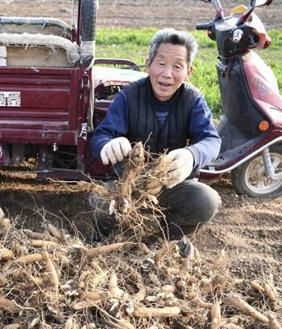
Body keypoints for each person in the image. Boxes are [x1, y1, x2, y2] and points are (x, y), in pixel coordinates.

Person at [89, 28, 222, 243]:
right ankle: (108, 241)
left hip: (171, 185)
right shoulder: (128, 96)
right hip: (128, 185)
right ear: (149, 64)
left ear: (189, 72)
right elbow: (101, 135)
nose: (167, 74)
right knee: (97, 201)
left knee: (206, 200)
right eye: (160, 63)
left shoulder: (193, 100)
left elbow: (212, 140)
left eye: (177, 66)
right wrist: (108, 144)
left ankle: (162, 240)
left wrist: (192, 155)